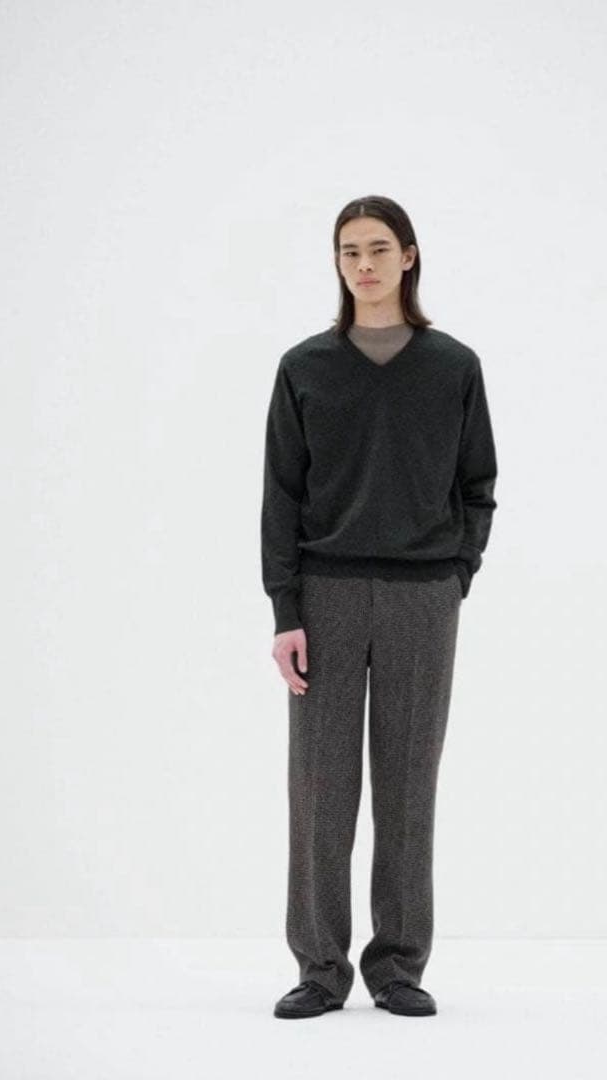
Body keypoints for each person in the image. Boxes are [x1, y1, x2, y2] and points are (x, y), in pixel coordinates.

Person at [261, 194, 498, 1019]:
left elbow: (478, 483)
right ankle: (320, 967)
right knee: (320, 785)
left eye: (377, 248)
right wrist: (285, 609)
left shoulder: (453, 366)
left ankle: (396, 964)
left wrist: (457, 571)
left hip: (422, 597)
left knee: (407, 784)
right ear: (337, 262)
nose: (362, 264)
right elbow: (280, 495)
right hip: (323, 594)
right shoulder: (304, 367)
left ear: (408, 256)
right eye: (348, 251)